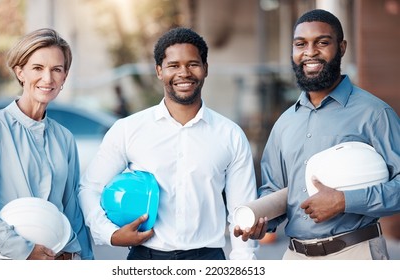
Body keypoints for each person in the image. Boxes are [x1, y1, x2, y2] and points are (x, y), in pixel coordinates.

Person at [78, 27, 259, 260]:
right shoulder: (128, 129)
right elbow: (89, 188)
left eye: (193, 64)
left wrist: (243, 265)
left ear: (205, 69)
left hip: (208, 259)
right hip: (145, 260)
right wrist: (110, 234)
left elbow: (241, 212)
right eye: (173, 65)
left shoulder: (230, 135)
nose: (183, 72)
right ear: (159, 71)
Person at [234, 9, 400, 260]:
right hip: (295, 258)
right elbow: (275, 190)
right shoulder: (284, 124)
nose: (310, 52)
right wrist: (260, 221)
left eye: (322, 42)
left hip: (356, 254)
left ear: (342, 47)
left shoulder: (375, 114)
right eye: (300, 44)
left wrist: (344, 201)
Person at [0, 28, 94, 260]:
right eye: (38, 68)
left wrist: (81, 259)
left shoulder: (64, 138)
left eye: (56, 70)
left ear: (65, 76)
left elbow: (72, 210)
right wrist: (24, 250)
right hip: (10, 262)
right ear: (20, 72)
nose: (48, 78)